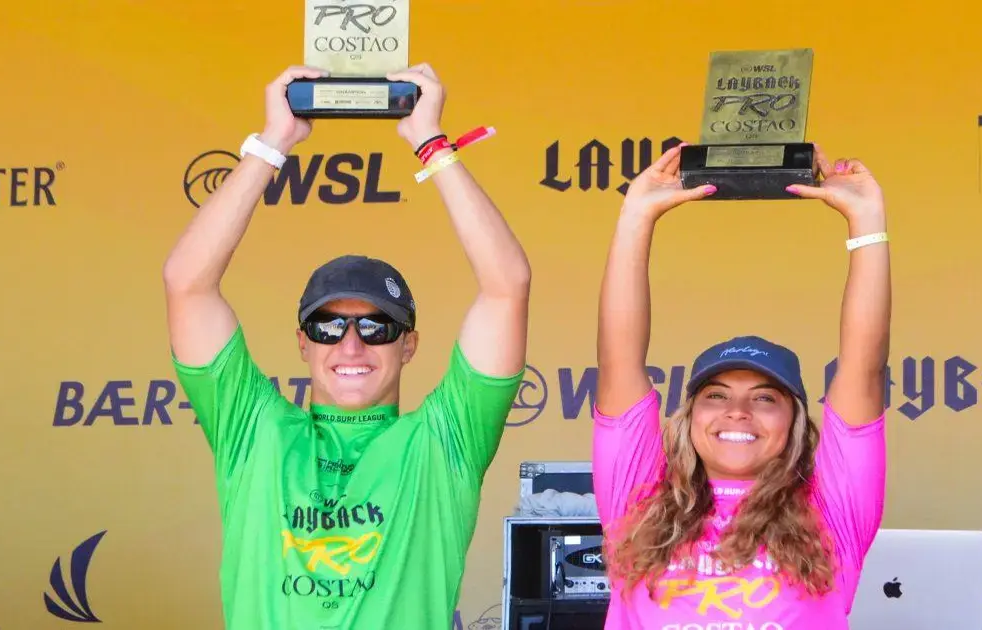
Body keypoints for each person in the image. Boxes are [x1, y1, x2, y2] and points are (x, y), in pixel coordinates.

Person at [162, 63, 531, 629]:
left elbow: (506, 287)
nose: (352, 344)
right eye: (329, 328)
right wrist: (273, 142)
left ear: (409, 345)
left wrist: (431, 144)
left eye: (377, 327)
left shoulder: (442, 441)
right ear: (303, 343)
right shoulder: (253, 430)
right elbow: (186, 284)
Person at [592, 143, 890, 629]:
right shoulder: (639, 500)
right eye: (716, 395)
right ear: (689, 418)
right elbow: (617, 359)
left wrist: (867, 223)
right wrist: (636, 217)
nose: (737, 412)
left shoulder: (831, 511)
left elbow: (864, 369)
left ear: (795, 422)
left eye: (765, 398)